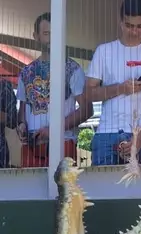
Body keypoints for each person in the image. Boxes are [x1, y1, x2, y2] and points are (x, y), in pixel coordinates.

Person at [84, 0, 141, 166]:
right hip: (106, 132)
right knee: (103, 189)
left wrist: (140, 139)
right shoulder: (104, 51)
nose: (134, 31)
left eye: (140, 26)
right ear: (120, 21)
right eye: (129, 25)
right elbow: (88, 94)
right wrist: (121, 88)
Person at [15, 13, 88, 167]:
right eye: (46, 33)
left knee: (62, 190)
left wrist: (53, 129)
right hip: (32, 146)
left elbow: (87, 109)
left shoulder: (72, 69)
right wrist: (21, 126)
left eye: (55, 33)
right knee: (29, 190)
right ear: (36, 36)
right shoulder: (26, 72)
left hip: (63, 142)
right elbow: (22, 112)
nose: (51, 39)